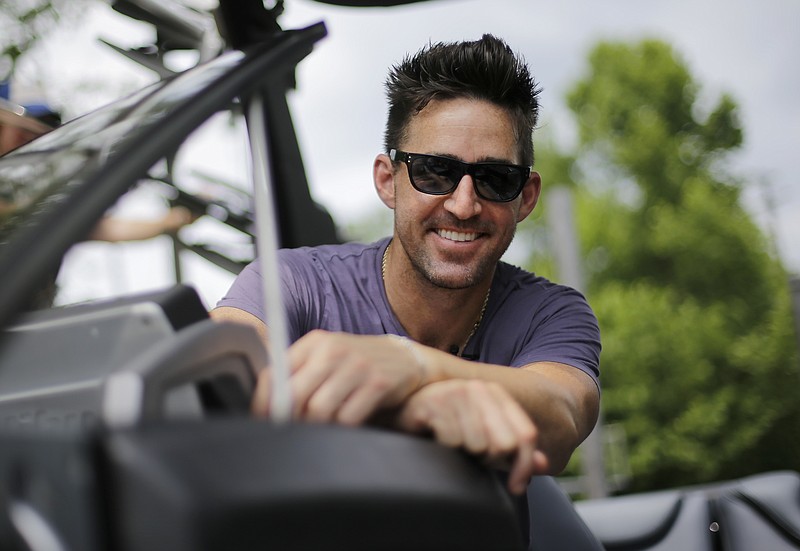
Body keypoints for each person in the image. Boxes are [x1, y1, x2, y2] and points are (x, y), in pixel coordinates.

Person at [212, 35, 600, 506]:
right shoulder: (292, 283)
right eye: (434, 172)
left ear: (527, 197)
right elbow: (216, 383)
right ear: (387, 180)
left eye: (496, 179)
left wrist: (415, 368)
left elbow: (560, 416)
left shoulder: (551, 312)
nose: (463, 205)